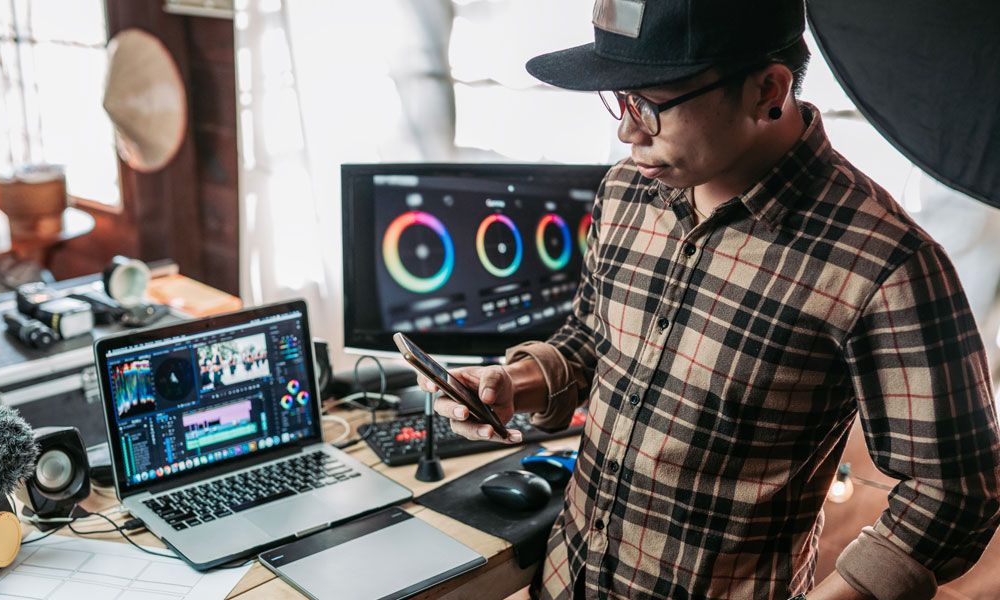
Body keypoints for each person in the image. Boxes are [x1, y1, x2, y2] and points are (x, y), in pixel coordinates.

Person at [417, 1, 1000, 599]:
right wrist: (514, 383)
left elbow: (956, 490)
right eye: (617, 100)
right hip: (568, 581)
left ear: (767, 90)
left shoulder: (884, 262)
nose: (626, 130)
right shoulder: (625, 190)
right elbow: (593, 338)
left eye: (649, 104)